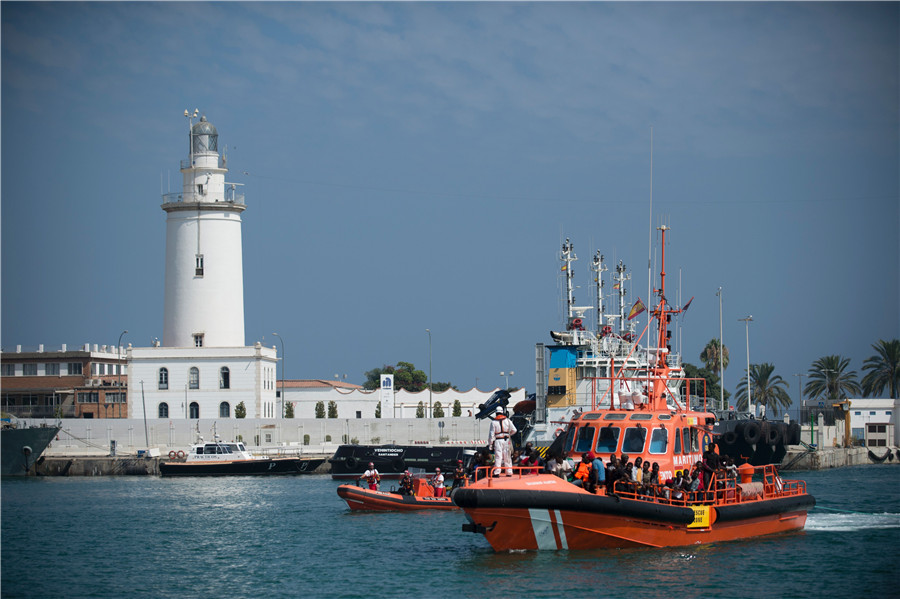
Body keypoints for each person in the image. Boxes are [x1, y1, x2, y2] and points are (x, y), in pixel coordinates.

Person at [488, 406, 517, 476]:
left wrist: (490, 445)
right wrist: (509, 434)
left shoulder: (493, 422)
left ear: (496, 413)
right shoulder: (508, 420)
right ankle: (509, 472)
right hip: (507, 440)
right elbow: (514, 430)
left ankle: (497, 472)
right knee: (507, 456)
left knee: (498, 456)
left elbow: (491, 435)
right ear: (502, 412)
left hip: (498, 440)